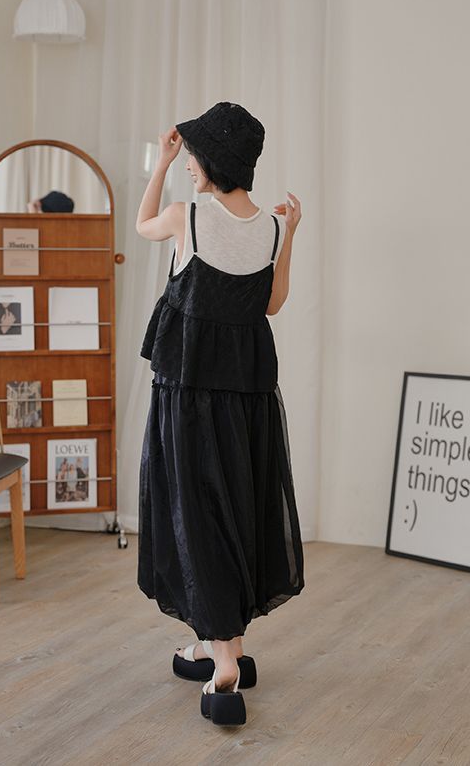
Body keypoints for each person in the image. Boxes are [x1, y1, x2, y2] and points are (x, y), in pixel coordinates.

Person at [136, 101, 304, 726]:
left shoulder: (187, 217)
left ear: (211, 160)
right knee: (236, 506)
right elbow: (273, 304)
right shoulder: (272, 226)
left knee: (194, 511)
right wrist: (292, 232)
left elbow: (142, 223)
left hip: (188, 394)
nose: (188, 165)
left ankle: (225, 665)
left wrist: (159, 163)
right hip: (248, 399)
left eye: (192, 156)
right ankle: (217, 642)